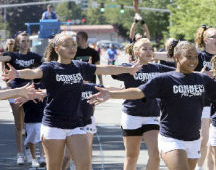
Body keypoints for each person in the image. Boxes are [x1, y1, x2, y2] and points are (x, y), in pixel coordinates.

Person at [88, 41, 216, 170]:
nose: (193, 61)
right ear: (177, 57)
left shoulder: (202, 79)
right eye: (189, 57)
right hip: (171, 139)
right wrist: (111, 94)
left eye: (195, 57)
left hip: (193, 139)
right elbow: (138, 92)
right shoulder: (164, 79)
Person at [2, 33, 141, 170]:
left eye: (73, 45)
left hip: (76, 124)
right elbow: (34, 73)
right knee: (55, 167)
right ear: (57, 49)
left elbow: (104, 69)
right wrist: (18, 73)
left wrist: (129, 69)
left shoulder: (79, 66)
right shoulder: (50, 67)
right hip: (54, 125)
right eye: (66, 45)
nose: (72, 48)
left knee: (85, 165)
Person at [112, 38, 175, 170]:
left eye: (151, 48)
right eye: (144, 49)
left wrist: (201, 74)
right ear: (136, 52)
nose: (149, 51)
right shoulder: (129, 68)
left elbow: (179, 71)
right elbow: (112, 72)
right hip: (132, 115)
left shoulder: (158, 68)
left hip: (151, 115)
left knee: (155, 155)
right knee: (132, 156)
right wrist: (126, 68)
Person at [0, 32, 43, 165]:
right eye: (23, 41)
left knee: (31, 124)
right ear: (18, 43)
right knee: (19, 125)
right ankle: (20, 154)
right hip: (15, 92)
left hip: (30, 92)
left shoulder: (34, 56)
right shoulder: (13, 56)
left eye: (27, 41)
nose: (26, 43)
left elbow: (47, 63)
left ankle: (32, 153)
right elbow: (3, 59)